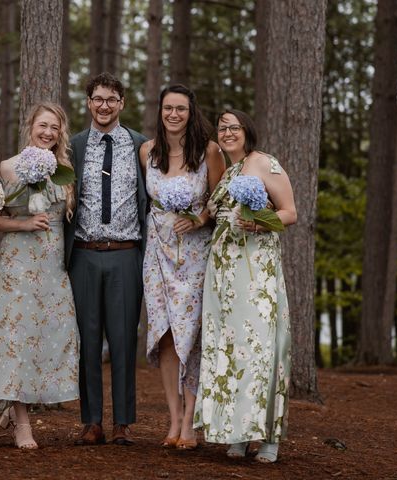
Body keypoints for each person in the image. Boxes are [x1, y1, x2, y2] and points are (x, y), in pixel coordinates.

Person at [194, 109, 297, 463]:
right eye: (222, 128)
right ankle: (237, 431)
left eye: (233, 127)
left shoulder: (263, 163)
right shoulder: (227, 172)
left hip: (256, 271)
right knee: (231, 348)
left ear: (247, 131)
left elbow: (290, 212)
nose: (227, 133)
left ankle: (268, 437)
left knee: (262, 349)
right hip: (223, 271)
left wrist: (261, 223)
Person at [140, 85, 225, 450]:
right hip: (157, 252)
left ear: (192, 113)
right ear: (160, 111)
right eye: (168, 108)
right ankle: (173, 419)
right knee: (166, 335)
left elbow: (221, 200)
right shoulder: (148, 151)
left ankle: (190, 421)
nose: (174, 114)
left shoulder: (208, 151)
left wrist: (200, 218)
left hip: (193, 255)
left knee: (190, 335)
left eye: (181, 109)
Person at [0, 102, 79, 450]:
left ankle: (14, 403)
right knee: (17, 337)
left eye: (54, 128)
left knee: (53, 334)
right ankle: (22, 422)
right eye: (43, 125)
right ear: (31, 126)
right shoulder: (8, 167)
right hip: (19, 260)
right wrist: (25, 222)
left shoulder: (65, 169)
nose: (48, 133)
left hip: (54, 260)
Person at [64, 72, 147, 446]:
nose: (104, 106)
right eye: (97, 99)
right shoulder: (74, 147)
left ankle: (123, 423)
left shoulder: (141, 146)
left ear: (122, 104)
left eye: (111, 99)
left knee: (124, 338)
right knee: (88, 339)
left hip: (126, 254)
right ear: (88, 102)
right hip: (84, 253)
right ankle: (92, 420)